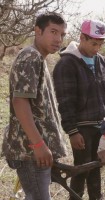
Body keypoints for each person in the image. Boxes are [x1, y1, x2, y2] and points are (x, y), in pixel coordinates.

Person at [1, 12, 67, 200]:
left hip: (35, 151)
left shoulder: (39, 58)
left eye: (62, 34)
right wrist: (38, 144)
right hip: (30, 151)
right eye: (53, 32)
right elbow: (20, 102)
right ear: (38, 31)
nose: (58, 39)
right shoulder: (30, 57)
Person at [53, 19, 105, 200]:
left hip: (101, 125)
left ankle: (97, 197)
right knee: (81, 168)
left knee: (96, 165)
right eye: (94, 43)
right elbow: (65, 101)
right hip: (81, 127)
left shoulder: (101, 62)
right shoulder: (67, 64)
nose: (97, 48)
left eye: (101, 44)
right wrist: (72, 131)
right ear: (81, 38)